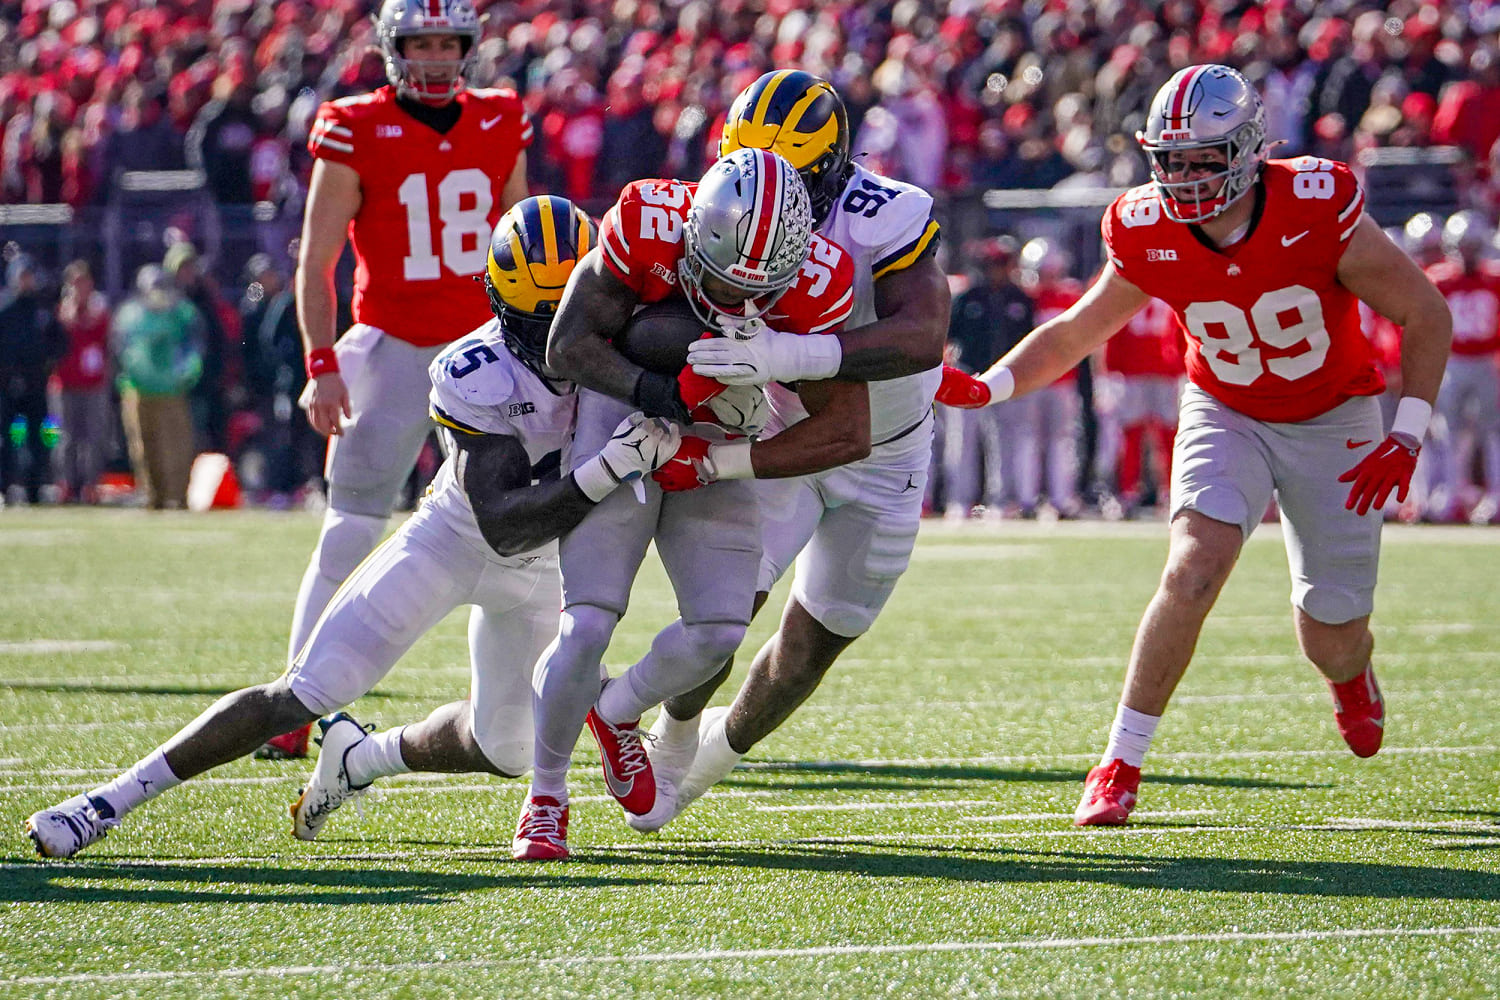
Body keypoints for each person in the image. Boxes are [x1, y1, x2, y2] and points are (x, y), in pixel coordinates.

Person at [23, 198, 679, 860]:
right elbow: (504, 525)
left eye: (577, 316)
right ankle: (105, 803)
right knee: (307, 691)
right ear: (498, 305)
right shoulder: (473, 371)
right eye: (541, 322)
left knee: (505, 748)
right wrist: (609, 467)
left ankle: (360, 760)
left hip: (543, 571)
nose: (561, 339)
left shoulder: (627, 344)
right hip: (455, 542)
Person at [939, 64, 1452, 826]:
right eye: (1170, 158)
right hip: (1225, 405)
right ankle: (1118, 762)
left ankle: (1352, 677)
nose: (1184, 175)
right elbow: (1080, 330)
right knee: (1191, 568)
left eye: (1202, 157)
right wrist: (993, 385)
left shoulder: (1314, 203)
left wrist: (1406, 433)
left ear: (1247, 149)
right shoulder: (1143, 225)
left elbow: (1426, 313)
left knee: (1331, 631)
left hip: (1333, 416)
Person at [514, 147, 861, 860]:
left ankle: (614, 713)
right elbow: (567, 345)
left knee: (719, 631)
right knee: (585, 626)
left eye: (760, 293)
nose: (740, 306)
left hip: (721, 430)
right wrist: (663, 397)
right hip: (625, 411)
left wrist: (716, 456)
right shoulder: (647, 220)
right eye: (722, 283)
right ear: (695, 235)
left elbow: (846, 431)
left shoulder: (822, 279)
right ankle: (545, 799)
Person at [632, 70, 951, 833]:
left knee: (814, 642)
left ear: (833, 170)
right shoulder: (724, 198)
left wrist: (791, 354)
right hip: (781, 429)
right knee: (724, 606)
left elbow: (920, 334)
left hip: (890, 456)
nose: (769, 184)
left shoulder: (883, 213)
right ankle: (673, 733)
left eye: (793, 171)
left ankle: (706, 765)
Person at [265, 0, 532, 759]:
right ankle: (291, 701)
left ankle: (543, 705)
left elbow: (527, 239)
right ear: (393, 48)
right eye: (424, 42)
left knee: (528, 530)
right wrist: (322, 364)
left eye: (451, 42)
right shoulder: (354, 124)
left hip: (488, 346)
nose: (439, 57)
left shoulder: (501, 116)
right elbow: (314, 261)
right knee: (350, 526)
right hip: (393, 346)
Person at [941, 236, 1032, 518]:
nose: (998, 269)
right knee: (962, 442)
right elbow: (948, 336)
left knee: (1004, 442)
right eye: (993, 264)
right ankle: (959, 500)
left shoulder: (1020, 299)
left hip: (1004, 376)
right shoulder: (968, 297)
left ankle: (1001, 500)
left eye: (1002, 263)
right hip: (969, 373)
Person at [1421, 211, 1500, 524]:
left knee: (1492, 431)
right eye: (1463, 244)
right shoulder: (1439, 280)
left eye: (1472, 244)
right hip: (1452, 360)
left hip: (1486, 360)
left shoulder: (1494, 279)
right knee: (1448, 431)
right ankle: (1450, 494)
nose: (1467, 251)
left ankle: (1494, 496)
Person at [110, 266, 204, 510]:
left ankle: (178, 497)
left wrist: (187, 374)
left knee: (177, 448)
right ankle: (153, 495)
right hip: (138, 390)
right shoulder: (129, 315)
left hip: (172, 391)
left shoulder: (183, 313)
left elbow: (195, 347)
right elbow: (119, 349)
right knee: (143, 448)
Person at [0, 254, 66, 505]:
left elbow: (60, 343)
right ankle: (6, 489)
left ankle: (35, 488)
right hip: (8, 388)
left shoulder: (42, 309)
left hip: (37, 386)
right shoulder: (5, 310)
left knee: (40, 438)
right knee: (9, 439)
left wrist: (47, 364)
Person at [53, 261, 114, 504]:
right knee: (65, 437)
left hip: (94, 384)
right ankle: (66, 483)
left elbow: (107, 344)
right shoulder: (60, 313)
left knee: (94, 437)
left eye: (84, 282)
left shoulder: (100, 313)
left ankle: (90, 485)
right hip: (65, 384)